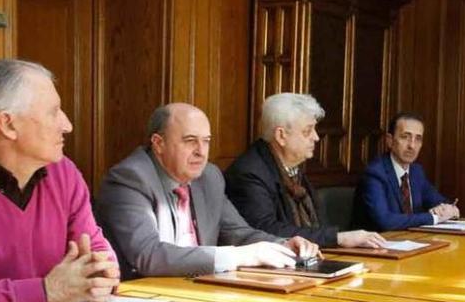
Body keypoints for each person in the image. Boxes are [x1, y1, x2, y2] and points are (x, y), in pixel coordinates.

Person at [96, 103, 318, 279]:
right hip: (148, 297)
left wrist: (282, 244)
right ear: (158, 143)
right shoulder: (129, 179)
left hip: (200, 291)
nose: (201, 152)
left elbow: (238, 232)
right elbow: (149, 256)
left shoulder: (209, 177)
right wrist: (239, 256)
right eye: (190, 141)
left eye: (206, 141)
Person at [0, 59, 119, 302]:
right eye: (53, 112)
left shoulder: (63, 173)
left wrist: (100, 276)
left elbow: (97, 252)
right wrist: (45, 293)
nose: (67, 125)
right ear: (8, 124)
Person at [225, 93, 385, 248]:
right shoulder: (249, 173)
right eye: (307, 131)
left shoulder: (291, 166)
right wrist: (338, 238)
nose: (316, 137)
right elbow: (266, 231)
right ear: (281, 136)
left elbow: (317, 225)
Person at [352, 112, 459, 231]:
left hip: (410, 242)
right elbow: (385, 221)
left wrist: (450, 209)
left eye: (418, 139)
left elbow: (439, 201)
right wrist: (432, 217)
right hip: (375, 245)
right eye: (405, 137)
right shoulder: (375, 173)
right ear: (390, 140)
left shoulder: (416, 171)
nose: (412, 145)